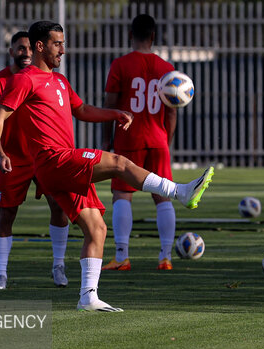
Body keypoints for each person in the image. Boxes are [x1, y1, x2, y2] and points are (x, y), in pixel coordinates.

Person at [0, 21, 213, 312]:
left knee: (97, 228)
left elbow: (82, 110)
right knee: (119, 163)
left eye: (63, 43)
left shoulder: (60, 81)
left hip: (62, 163)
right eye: (56, 43)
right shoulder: (26, 79)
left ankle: (88, 296)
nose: (63, 49)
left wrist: (115, 113)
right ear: (40, 46)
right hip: (53, 160)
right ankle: (179, 192)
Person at [0, 31, 70, 290]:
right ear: (11, 51)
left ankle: (58, 265)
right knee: (6, 213)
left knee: (59, 207)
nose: (26, 54)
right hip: (14, 159)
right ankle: (1, 274)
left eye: (29, 49)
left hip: (44, 156)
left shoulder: (49, 79)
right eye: (21, 49)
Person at [101, 14, 177, 272]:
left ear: (130, 35)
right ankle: (165, 257)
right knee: (163, 197)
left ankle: (122, 256)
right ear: (153, 37)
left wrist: (105, 140)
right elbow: (172, 111)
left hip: (128, 137)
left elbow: (110, 107)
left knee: (122, 194)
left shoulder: (120, 65)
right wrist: (167, 140)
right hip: (158, 139)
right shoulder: (167, 68)